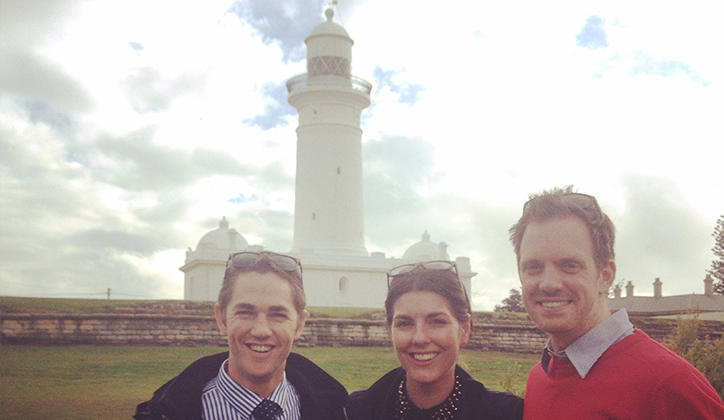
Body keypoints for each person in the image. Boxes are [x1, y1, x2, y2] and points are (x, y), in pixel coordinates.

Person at [509, 186, 724, 419]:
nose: (548, 284)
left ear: (605, 276)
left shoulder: (668, 384)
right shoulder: (540, 378)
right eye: (533, 267)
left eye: (569, 265)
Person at [134, 251, 347, 420]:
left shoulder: (340, 412)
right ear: (222, 318)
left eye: (278, 314)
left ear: (300, 324)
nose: (261, 330)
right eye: (245, 312)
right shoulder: (165, 412)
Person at [345, 261, 524, 420]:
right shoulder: (354, 412)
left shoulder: (506, 414)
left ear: (465, 329)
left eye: (437, 322)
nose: (420, 338)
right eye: (405, 323)